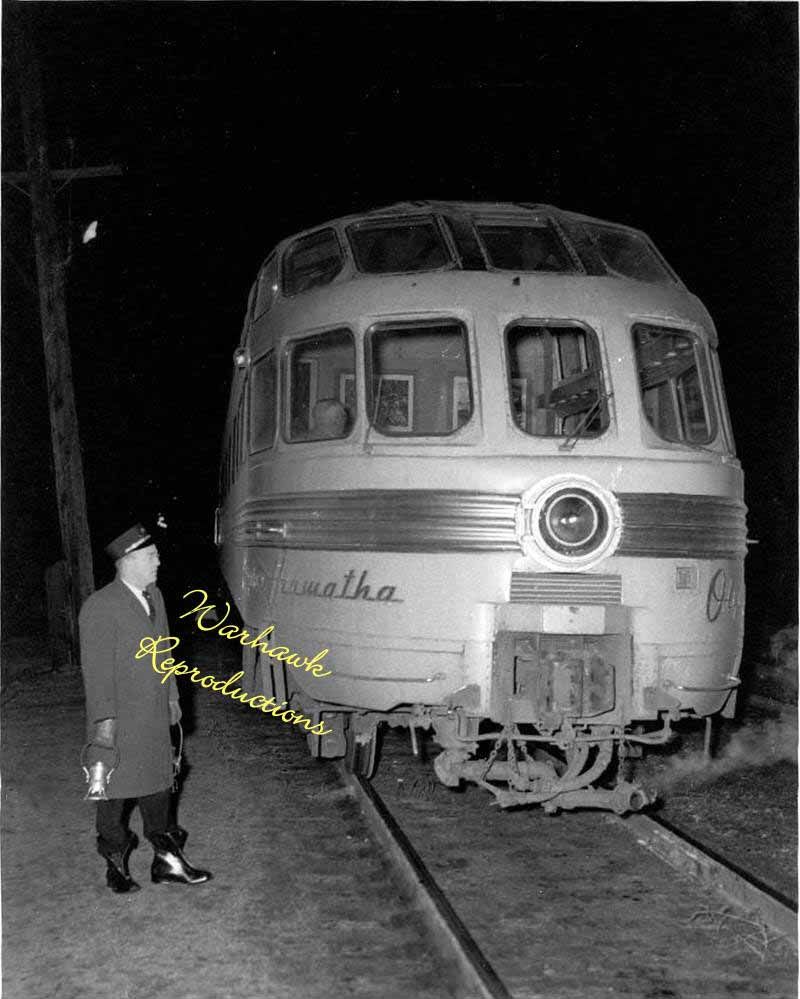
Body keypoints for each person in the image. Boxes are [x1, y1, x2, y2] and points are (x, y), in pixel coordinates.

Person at [79, 521, 211, 893]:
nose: (158, 562)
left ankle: (167, 861)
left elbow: (165, 654)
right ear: (129, 559)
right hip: (119, 720)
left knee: (159, 785)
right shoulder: (100, 606)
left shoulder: (155, 596)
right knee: (113, 793)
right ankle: (115, 864)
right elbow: (97, 673)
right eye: (151, 556)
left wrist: (172, 698)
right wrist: (105, 726)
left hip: (153, 716)